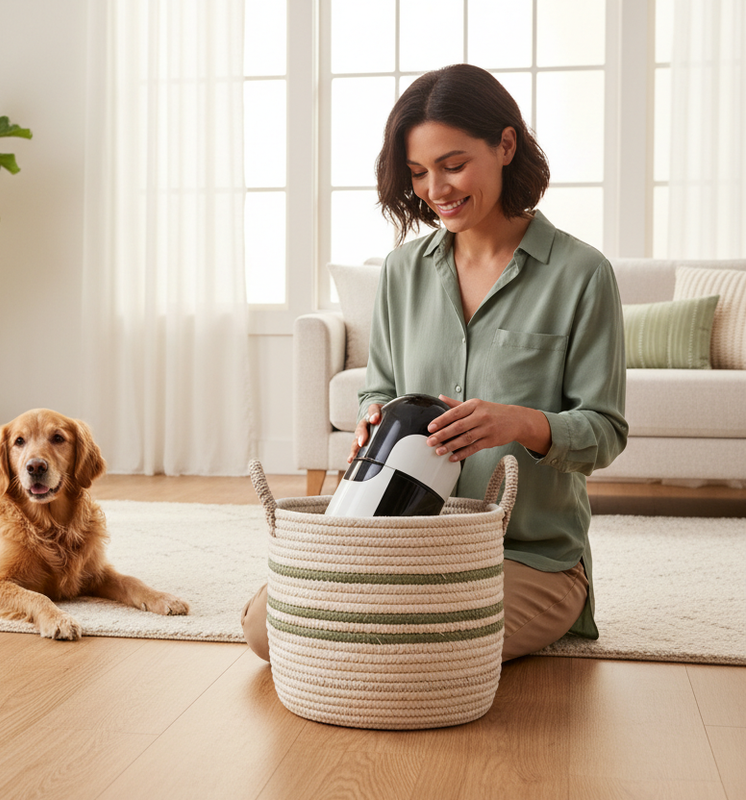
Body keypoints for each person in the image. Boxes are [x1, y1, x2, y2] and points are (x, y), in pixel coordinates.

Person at [242, 63, 628, 662]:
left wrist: (519, 423)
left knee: (419, 646)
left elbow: (604, 433)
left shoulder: (582, 275)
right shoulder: (401, 271)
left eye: (453, 165)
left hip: (525, 554)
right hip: (399, 537)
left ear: (505, 145)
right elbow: (380, 390)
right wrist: (372, 418)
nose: (435, 190)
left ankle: (548, 606)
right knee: (267, 629)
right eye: (419, 173)